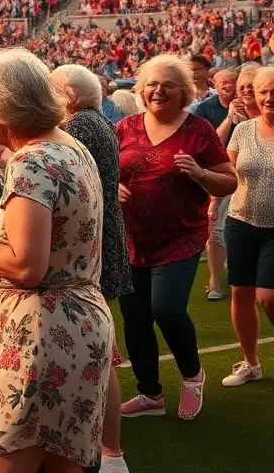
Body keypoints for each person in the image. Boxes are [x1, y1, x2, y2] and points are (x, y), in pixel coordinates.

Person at [0, 48, 114, 473]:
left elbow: (28, 267)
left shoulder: (30, 161)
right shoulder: (71, 146)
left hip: (41, 335)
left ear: (7, 110)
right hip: (82, 325)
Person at [115, 55, 237, 421]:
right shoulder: (124, 127)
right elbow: (102, 171)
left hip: (180, 237)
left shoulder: (199, 129)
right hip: (132, 240)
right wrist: (112, 185)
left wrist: (200, 173)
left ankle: (191, 374)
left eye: (167, 84)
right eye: (151, 83)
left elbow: (229, 179)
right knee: (134, 319)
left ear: (183, 91)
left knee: (166, 309)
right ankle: (150, 394)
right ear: (140, 89)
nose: (158, 90)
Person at [51, 64, 134, 473]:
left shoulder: (80, 126)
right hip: (101, 243)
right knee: (101, 350)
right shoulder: (92, 121)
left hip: (91, 250)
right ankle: (107, 450)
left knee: (102, 353)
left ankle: (110, 452)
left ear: (67, 94)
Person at [221, 66, 274, 388]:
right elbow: (225, 171)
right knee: (240, 292)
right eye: (263, 91)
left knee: (268, 297)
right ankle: (251, 363)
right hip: (241, 220)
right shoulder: (243, 131)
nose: (269, 98)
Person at [190, 68, 238, 301]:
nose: (229, 87)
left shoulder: (249, 106)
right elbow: (211, 144)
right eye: (224, 83)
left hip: (246, 172)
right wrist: (229, 119)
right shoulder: (205, 109)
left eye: (232, 82)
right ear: (214, 84)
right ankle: (215, 282)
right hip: (217, 173)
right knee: (216, 231)